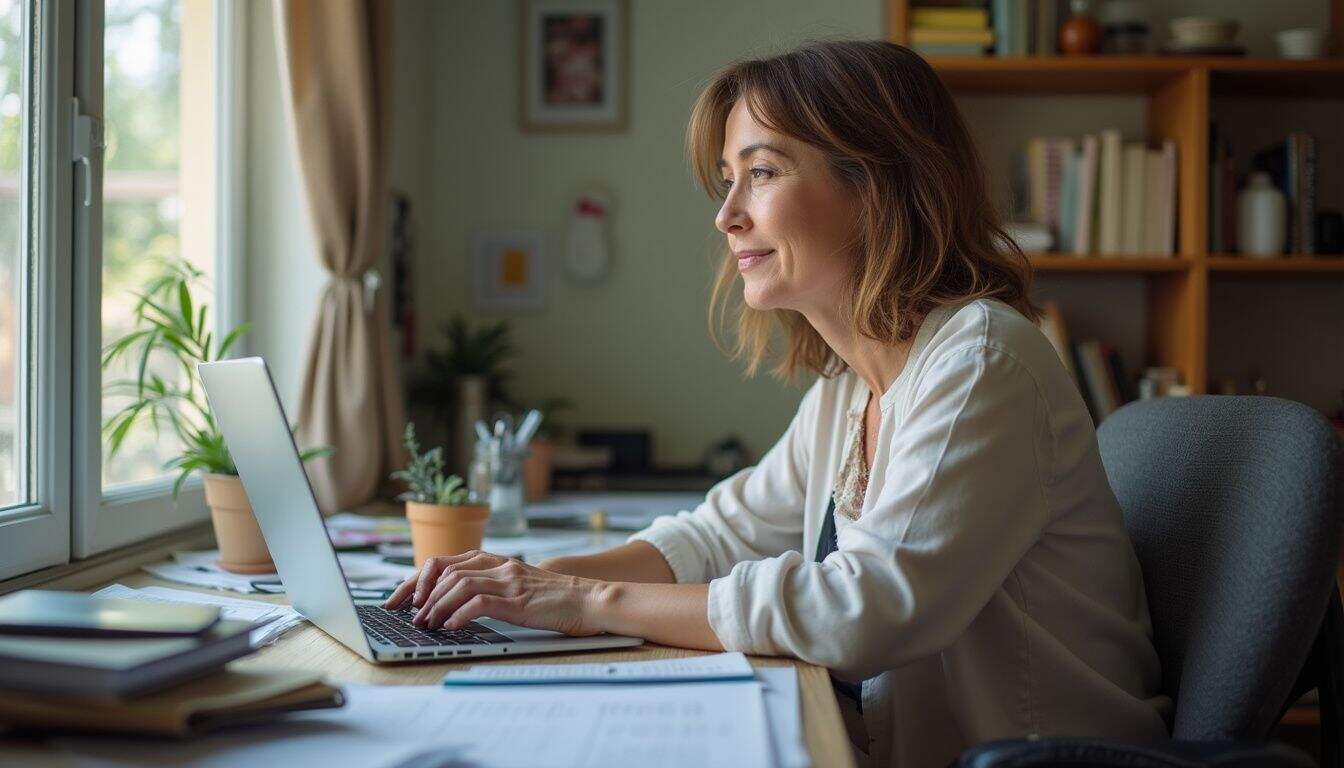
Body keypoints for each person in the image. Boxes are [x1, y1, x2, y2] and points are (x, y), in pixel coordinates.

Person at [385, 40, 1170, 767]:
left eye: (760, 172)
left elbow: (864, 612)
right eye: (729, 179)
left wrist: (586, 601)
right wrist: (522, 584)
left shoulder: (983, 362)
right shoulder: (849, 383)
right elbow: (720, 535)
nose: (727, 215)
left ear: (878, 186)